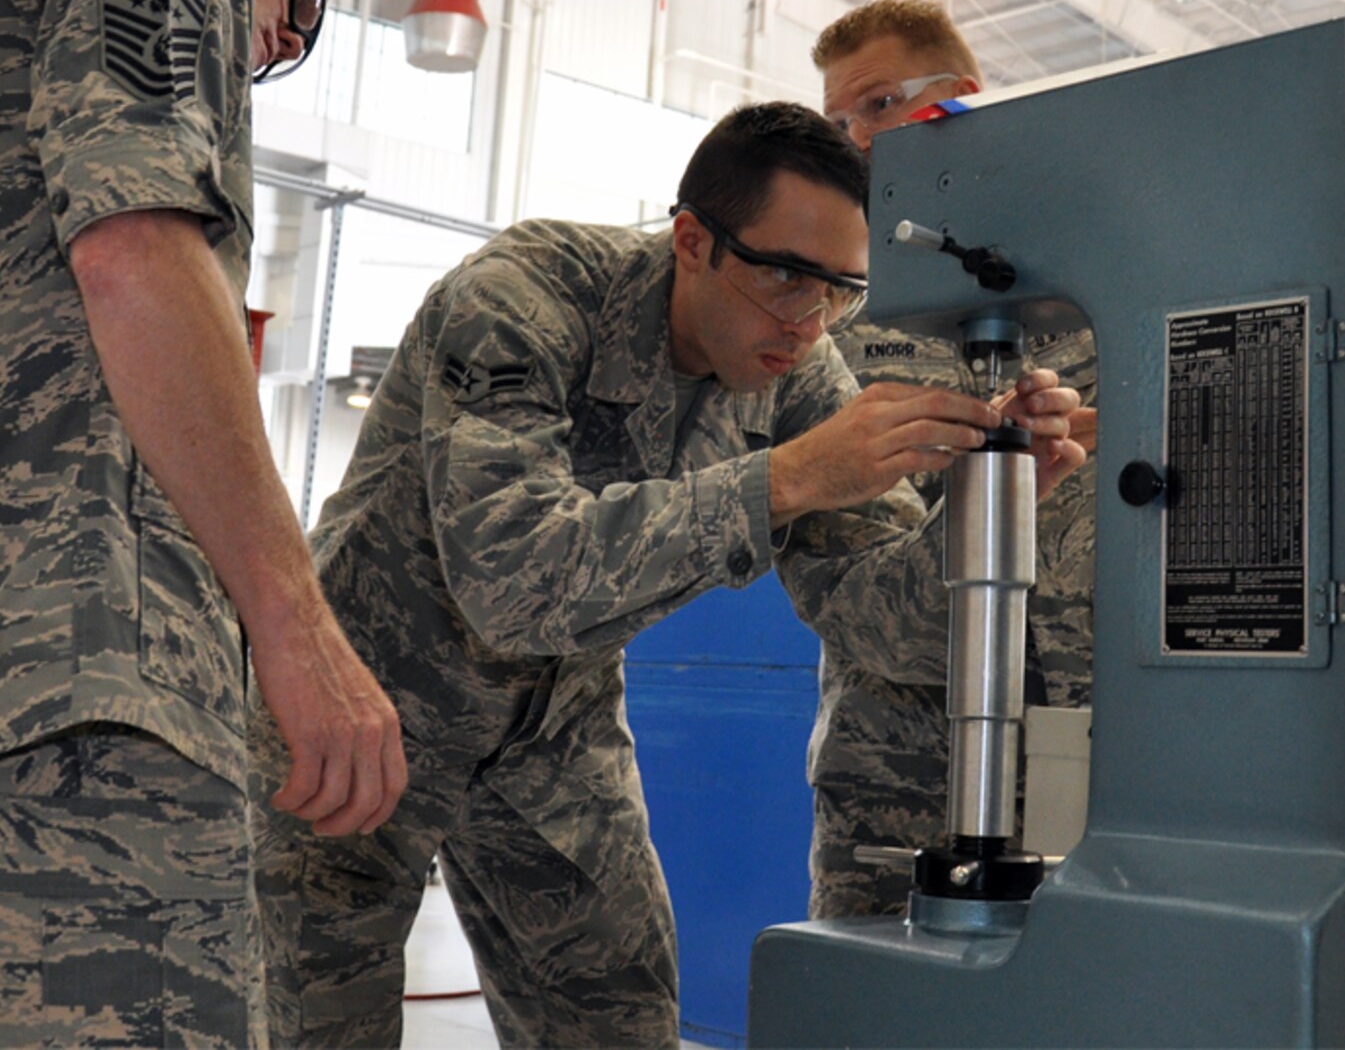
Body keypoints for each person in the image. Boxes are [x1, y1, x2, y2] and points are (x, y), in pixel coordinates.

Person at [252, 101, 1086, 1048]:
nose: (811, 322)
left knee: (619, 1022)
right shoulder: (526, 295)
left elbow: (877, 624)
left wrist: (1002, 505)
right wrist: (791, 476)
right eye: (784, 276)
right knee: (314, 1032)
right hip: (356, 709)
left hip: (550, 730)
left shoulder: (798, 374)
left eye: (842, 289)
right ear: (693, 241)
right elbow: (513, 579)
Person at [0, 0, 407, 1048]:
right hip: (86, 680)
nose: (278, 39)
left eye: (298, 44)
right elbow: (136, 252)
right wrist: (298, 629)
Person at [807, 0, 1099, 920]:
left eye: (879, 105)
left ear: (960, 99)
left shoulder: (1111, 307)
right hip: (897, 792)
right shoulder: (829, 334)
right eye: (836, 121)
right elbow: (855, 611)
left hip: (1097, 775)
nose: (855, 140)